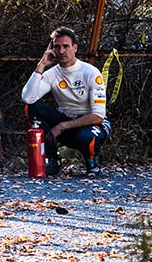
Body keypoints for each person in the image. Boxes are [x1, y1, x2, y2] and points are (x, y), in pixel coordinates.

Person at [21, 27, 110, 176]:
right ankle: (52, 159)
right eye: (57, 47)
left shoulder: (91, 72)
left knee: (87, 138)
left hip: (92, 124)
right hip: (66, 122)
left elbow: (98, 116)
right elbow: (27, 98)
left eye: (66, 46)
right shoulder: (52, 74)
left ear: (75, 48)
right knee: (31, 109)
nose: (61, 51)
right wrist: (41, 65)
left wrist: (62, 126)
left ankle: (92, 162)